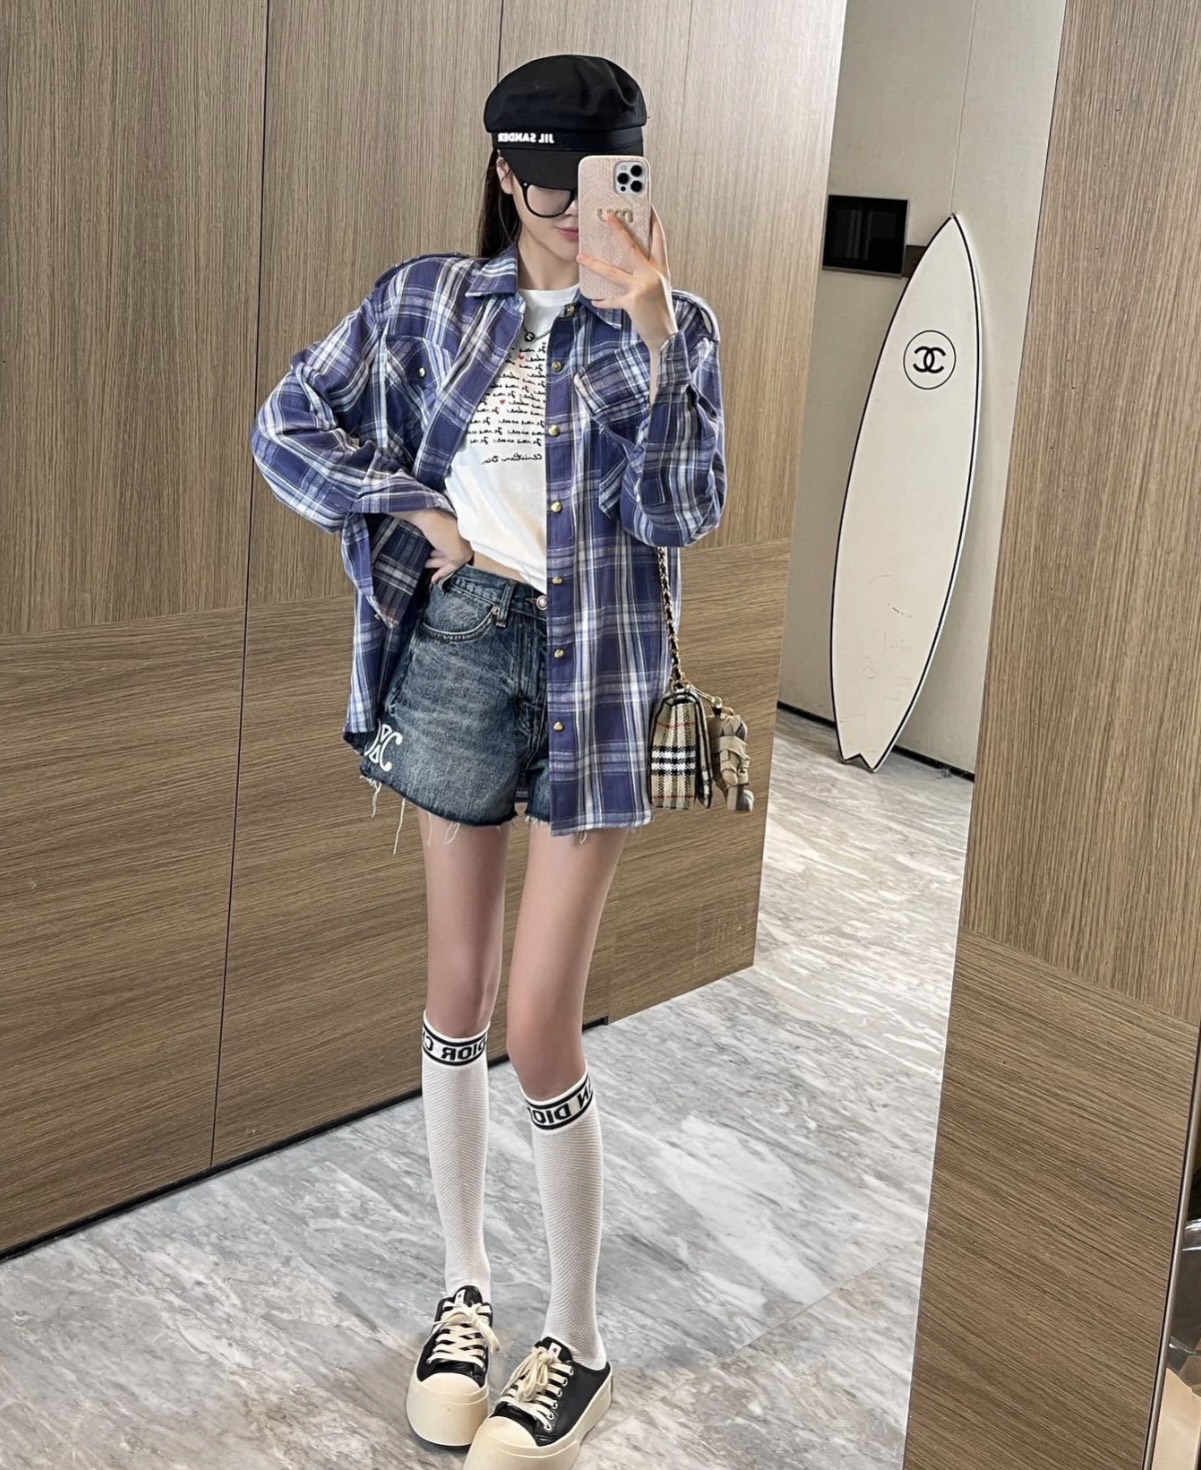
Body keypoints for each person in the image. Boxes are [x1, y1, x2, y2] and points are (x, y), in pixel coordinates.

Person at [250, 51, 727, 1469]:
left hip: (599, 668)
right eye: (551, 183)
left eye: (605, 179)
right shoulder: (427, 302)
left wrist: (647, 334)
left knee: (540, 1017)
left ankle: (574, 1333)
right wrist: (408, 508)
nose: (577, 209)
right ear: (507, 175)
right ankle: (463, 1293)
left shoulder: (675, 321)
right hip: (459, 645)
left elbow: (681, 511)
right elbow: (287, 425)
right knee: (455, 988)